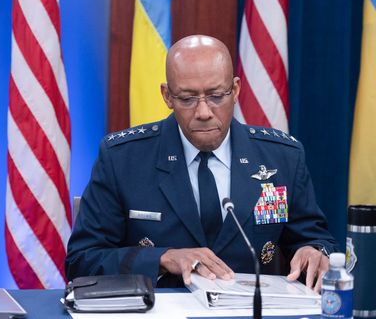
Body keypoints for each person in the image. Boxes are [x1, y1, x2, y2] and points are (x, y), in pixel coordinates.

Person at [66, 35, 336, 290]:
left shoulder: (282, 157)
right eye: (187, 98)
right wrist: (162, 258)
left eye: (217, 96)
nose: (204, 112)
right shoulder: (122, 159)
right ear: (167, 96)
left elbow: (314, 239)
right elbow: (82, 261)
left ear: (236, 89)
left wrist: (314, 251)